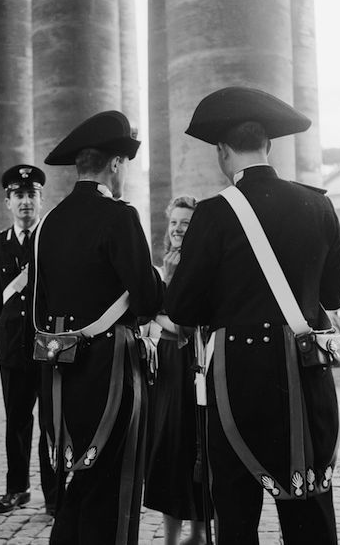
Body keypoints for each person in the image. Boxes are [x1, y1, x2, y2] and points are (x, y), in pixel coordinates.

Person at [165, 87, 340, 545]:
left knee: (238, 516)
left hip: (238, 384)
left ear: (224, 152)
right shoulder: (319, 203)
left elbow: (183, 308)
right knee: (311, 507)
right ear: (268, 145)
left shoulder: (212, 214)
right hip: (308, 380)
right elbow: (335, 293)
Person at [33, 111, 164, 545]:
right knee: (113, 486)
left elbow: (41, 306)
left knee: (80, 482)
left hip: (61, 374)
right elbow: (145, 300)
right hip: (111, 372)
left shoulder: (47, 225)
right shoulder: (119, 216)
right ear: (115, 165)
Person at [0, 165, 56, 515]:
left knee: (51, 424)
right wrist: (0, 347)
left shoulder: (54, 242)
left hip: (47, 349)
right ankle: (17, 489)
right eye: (19, 195)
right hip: (12, 351)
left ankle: (54, 495)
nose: (26, 202)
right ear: (8, 202)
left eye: (32, 195)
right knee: (17, 422)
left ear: (41, 200)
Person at [143, 195, 207, 545]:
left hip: (196, 364)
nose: (179, 229)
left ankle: (198, 532)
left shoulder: (202, 265)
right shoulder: (159, 267)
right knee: (168, 448)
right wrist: (166, 311)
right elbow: (152, 314)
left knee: (197, 447)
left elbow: (182, 322)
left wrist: (169, 295)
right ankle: (170, 538)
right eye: (174, 223)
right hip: (169, 367)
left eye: (186, 222)